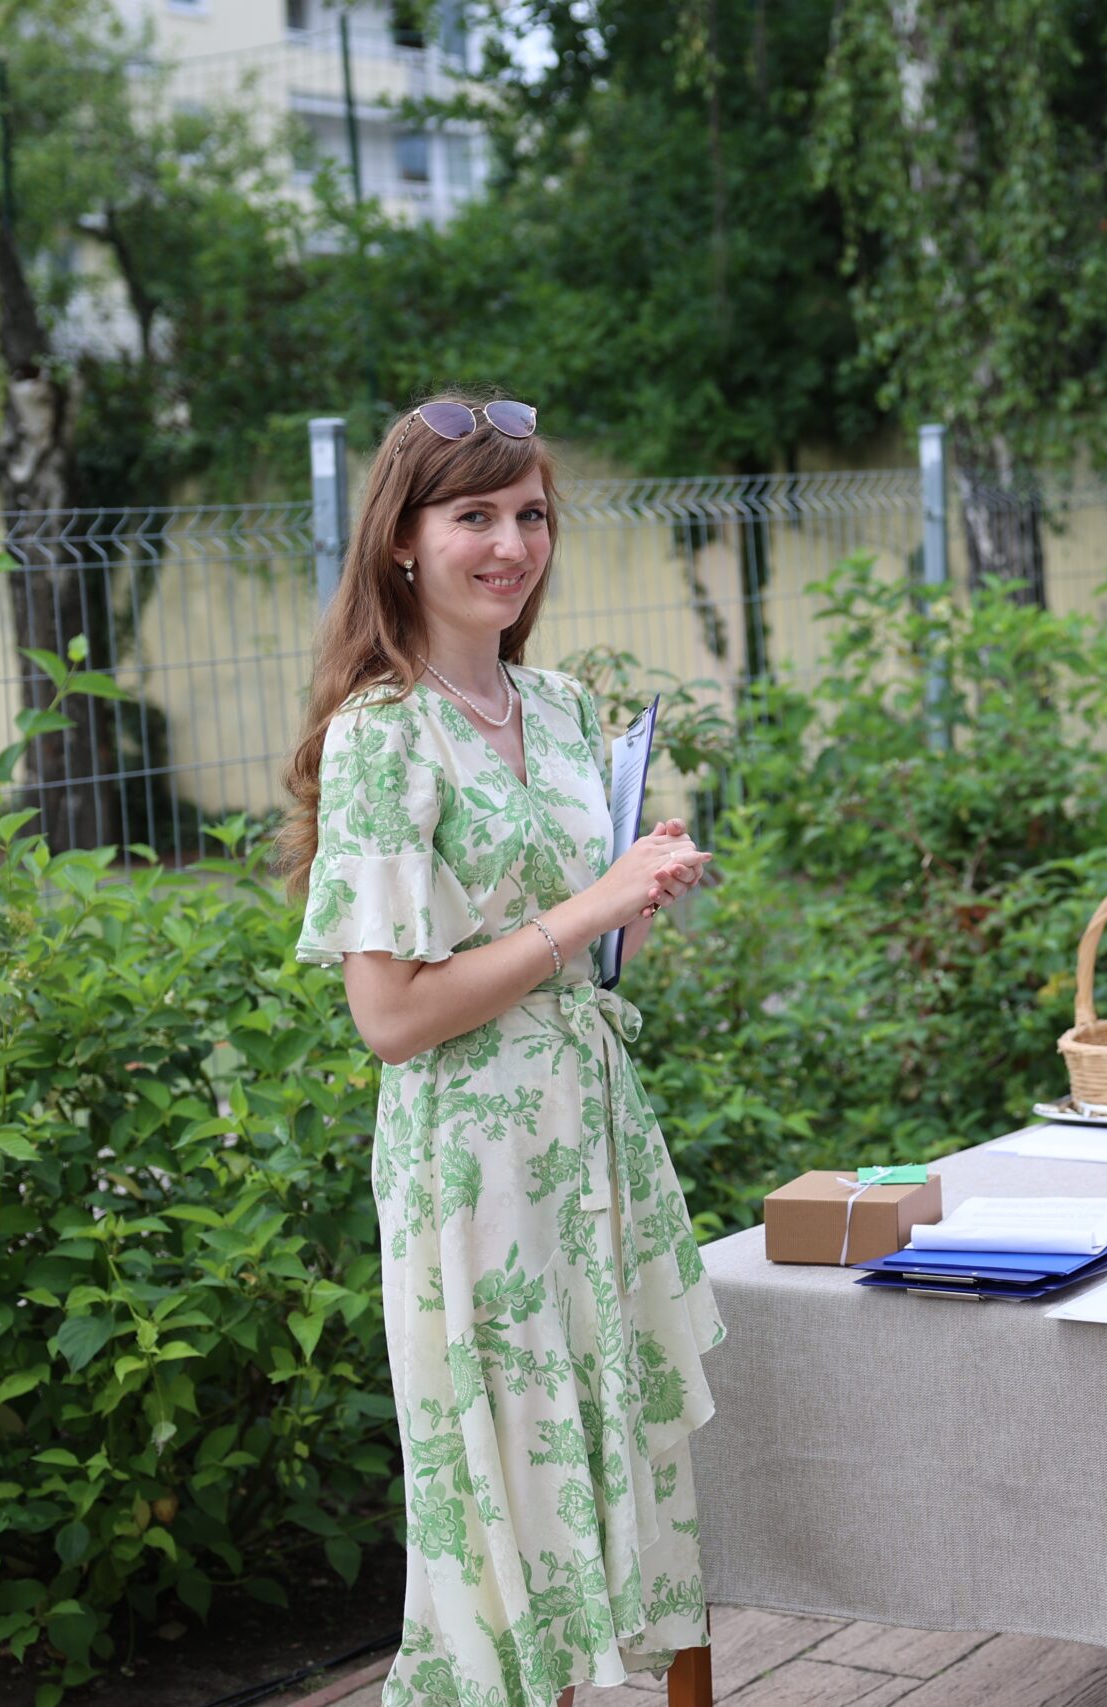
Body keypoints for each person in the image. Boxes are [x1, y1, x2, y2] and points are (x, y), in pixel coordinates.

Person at [277, 392, 720, 1707]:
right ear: (402, 541)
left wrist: (631, 897)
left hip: (589, 1132)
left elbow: (569, 950)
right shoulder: (381, 732)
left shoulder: (566, 708)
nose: (512, 545)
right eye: (474, 515)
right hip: (473, 1167)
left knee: (589, 1465)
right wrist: (586, 907)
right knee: (505, 1494)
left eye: (530, 515)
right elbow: (390, 1017)